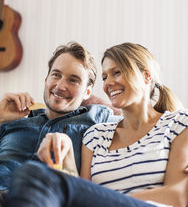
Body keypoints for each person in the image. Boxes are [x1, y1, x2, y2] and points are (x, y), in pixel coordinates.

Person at [2, 42, 188, 207]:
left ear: (147, 76)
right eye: (105, 77)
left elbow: (176, 197)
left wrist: (104, 199)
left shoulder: (181, 122)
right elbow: (82, 191)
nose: (108, 83)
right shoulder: (96, 135)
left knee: (37, 176)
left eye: (117, 72)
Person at [0, 42, 120, 192]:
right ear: (46, 80)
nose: (60, 86)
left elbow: (139, 123)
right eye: (56, 75)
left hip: (44, 203)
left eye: (73, 80)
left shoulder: (97, 118)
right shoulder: (12, 120)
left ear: (87, 92)